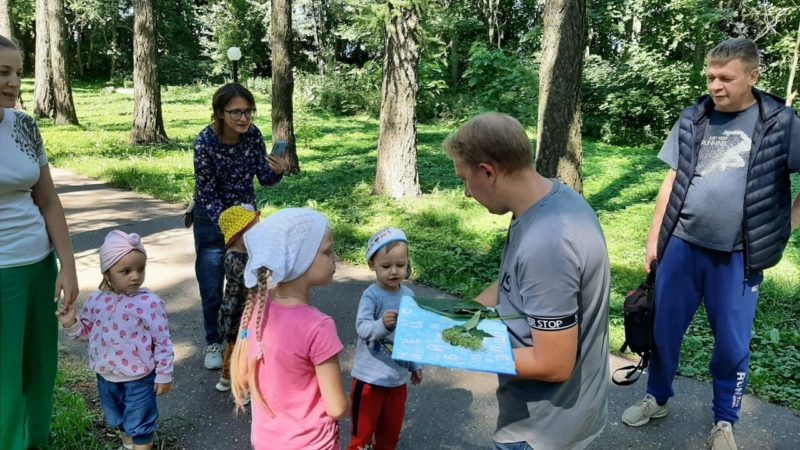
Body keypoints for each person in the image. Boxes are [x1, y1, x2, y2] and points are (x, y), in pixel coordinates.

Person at [621, 38, 800, 450]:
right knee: (664, 331)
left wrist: (786, 224)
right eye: (710, 76)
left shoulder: (781, 122)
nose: (715, 86)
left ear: (753, 77)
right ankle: (657, 397)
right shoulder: (694, 117)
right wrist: (654, 239)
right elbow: (671, 181)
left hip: (740, 255)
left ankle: (724, 421)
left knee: (731, 345)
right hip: (682, 246)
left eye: (726, 78)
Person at [444, 112, 611, 450]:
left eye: (465, 179)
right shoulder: (546, 201)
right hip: (556, 419)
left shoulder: (548, 242)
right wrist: (448, 319)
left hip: (540, 432)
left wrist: (453, 348)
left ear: (488, 172)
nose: (466, 192)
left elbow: (553, 364)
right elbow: (509, 285)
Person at [0, 35, 80, 449]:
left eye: (17, 72)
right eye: (3, 72)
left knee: (39, 371)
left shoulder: (25, 125)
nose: (14, 82)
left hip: (38, 265)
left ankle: (36, 444)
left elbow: (48, 200)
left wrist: (67, 265)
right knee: (4, 379)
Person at [229, 208, 349, 450]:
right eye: (327, 251)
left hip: (265, 441)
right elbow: (337, 408)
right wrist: (352, 402)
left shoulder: (258, 306)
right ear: (299, 259)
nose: (334, 257)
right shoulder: (318, 326)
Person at [193, 83, 287, 370]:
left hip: (248, 223)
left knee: (246, 283)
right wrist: (230, 228)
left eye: (248, 112)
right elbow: (206, 192)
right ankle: (214, 342)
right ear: (220, 113)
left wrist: (277, 171)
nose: (244, 119)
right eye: (236, 113)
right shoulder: (204, 143)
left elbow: (264, 178)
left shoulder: (254, 137)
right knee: (212, 287)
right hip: (212, 221)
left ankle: (244, 341)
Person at [56, 230, 174, 450]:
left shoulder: (150, 302)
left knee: (140, 424)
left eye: (140, 269)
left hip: (139, 377)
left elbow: (163, 341)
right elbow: (87, 334)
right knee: (116, 419)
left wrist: (164, 373)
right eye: (126, 271)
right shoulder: (96, 301)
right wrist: (71, 323)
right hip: (106, 376)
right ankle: (127, 445)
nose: (135, 276)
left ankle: (140, 445)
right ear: (107, 273)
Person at [349, 227, 423, 450]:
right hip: (369, 379)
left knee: (390, 433)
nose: (394, 272)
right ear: (372, 265)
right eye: (385, 266)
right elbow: (362, 328)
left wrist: (415, 365)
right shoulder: (372, 295)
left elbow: (412, 335)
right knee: (362, 434)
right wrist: (382, 324)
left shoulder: (408, 296)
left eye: (400, 265)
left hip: (397, 378)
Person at [215, 203, 260, 394]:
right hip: (236, 312)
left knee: (237, 346)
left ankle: (227, 378)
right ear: (239, 235)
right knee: (239, 347)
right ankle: (239, 385)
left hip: (244, 309)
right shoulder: (233, 258)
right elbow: (248, 280)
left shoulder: (245, 254)